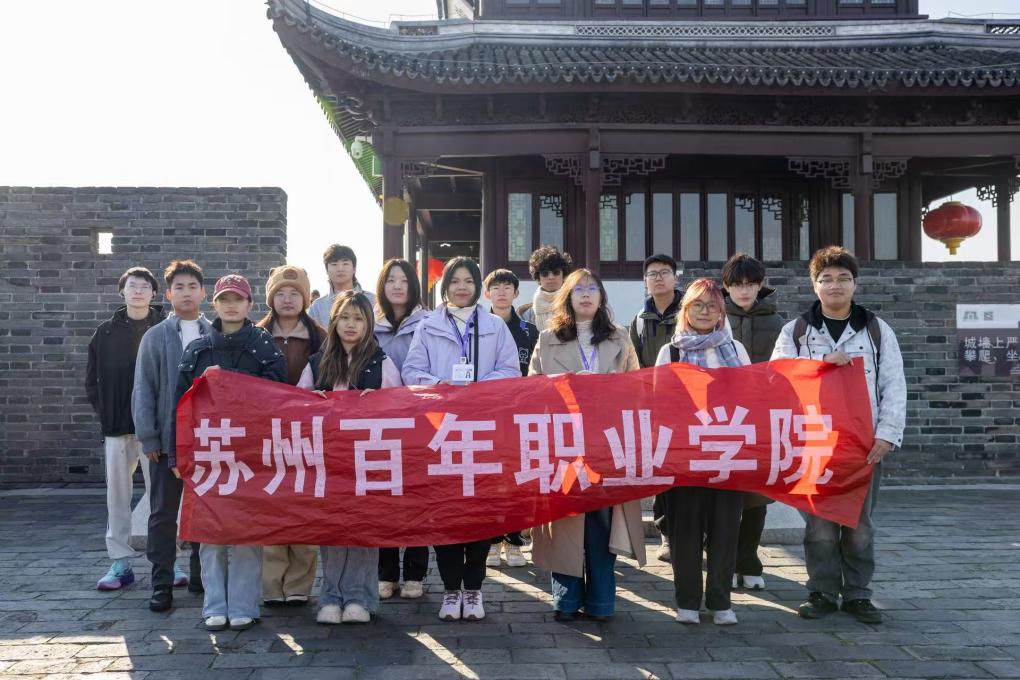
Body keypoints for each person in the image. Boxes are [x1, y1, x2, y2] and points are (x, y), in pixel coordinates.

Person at [771, 246, 905, 625]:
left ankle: (859, 594)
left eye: (843, 278)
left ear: (855, 284)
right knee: (820, 527)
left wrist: (887, 434)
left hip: (862, 446)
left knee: (859, 526)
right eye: (826, 279)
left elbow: (894, 385)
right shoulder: (796, 330)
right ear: (814, 285)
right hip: (813, 443)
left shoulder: (876, 330)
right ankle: (822, 592)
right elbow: (777, 375)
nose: (835, 285)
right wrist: (819, 364)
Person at [402, 257, 520, 622]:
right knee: (446, 513)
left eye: (469, 280)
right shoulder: (428, 326)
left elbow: (511, 370)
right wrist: (440, 386)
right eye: (455, 281)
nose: (462, 287)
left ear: (477, 286)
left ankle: (474, 588)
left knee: (480, 514)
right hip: (441, 433)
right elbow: (411, 370)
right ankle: (451, 589)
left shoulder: (495, 326)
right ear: (445, 286)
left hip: (483, 433)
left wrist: (479, 389)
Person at [528, 268, 646, 622]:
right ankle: (566, 599)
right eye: (578, 288)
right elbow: (532, 391)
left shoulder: (620, 336)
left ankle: (601, 601)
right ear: (567, 296)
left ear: (601, 297)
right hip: (563, 442)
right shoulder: (548, 338)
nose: (586, 294)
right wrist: (568, 385)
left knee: (600, 524)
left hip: (607, 443)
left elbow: (638, 389)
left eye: (593, 288)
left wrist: (606, 390)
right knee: (564, 522)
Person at [175, 274, 286, 631]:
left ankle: (244, 605)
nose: (231, 305)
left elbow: (280, 393)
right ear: (215, 304)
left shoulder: (265, 345)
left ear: (249, 304)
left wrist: (231, 378)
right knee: (210, 534)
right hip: (209, 454)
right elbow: (179, 406)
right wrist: (179, 455)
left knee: (247, 532)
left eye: (238, 298)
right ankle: (214, 605)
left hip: (252, 452)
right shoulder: (197, 350)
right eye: (225, 299)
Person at [298, 291, 402, 624]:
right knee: (330, 529)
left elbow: (401, 408)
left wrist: (380, 402)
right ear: (334, 321)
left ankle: (359, 596)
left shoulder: (382, 362)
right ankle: (331, 596)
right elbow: (295, 406)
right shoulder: (317, 362)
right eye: (344, 317)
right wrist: (312, 401)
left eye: (358, 318)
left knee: (362, 528)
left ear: (369, 323)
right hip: (328, 461)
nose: (351, 325)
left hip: (368, 461)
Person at [656, 278, 751, 626]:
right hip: (686, 454)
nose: (705, 311)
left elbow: (751, 396)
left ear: (721, 312)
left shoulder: (735, 350)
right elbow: (659, 402)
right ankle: (687, 601)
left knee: (725, 530)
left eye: (712, 305)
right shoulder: (671, 352)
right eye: (697, 305)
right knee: (685, 531)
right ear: (685, 310)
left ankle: (720, 600)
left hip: (728, 450)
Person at [133, 260, 210, 612]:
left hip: (206, 441)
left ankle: (199, 576)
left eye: (192, 286)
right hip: (166, 442)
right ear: (168, 294)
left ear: (203, 292)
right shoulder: (155, 336)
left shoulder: (214, 333)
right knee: (163, 513)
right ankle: (161, 582)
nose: (186, 293)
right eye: (179, 287)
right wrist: (149, 437)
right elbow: (143, 389)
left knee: (203, 510)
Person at [87, 266, 165, 590]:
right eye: (132, 286)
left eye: (144, 286)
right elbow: (92, 381)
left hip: (157, 430)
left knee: (162, 496)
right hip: (117, 427)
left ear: (154, 293)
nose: (138, 291)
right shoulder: (105, 333)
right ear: (122, 291)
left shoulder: (165, 329)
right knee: (116, 496)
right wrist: (106, 413)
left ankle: (168, 560)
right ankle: (120, 562)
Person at [256, 265, 326, 607]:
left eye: (295, 293)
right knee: (271, 506)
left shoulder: (320, 336)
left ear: (305, 298)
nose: (287, 299)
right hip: (266, 433)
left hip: (309, 434)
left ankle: (299, 584)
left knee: (304, 506)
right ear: (271, 298)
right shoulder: (256, 335)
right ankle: (271, 585)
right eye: (280, 293)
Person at [721, 253, 785, 592]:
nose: (744, 291)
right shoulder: (716, 320)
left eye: (750, 284)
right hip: (723, 421)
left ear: (761, 285)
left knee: (757, 497)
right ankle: (726, 561)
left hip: (762, 421)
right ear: (726, 287)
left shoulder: (779, 324)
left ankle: (749, 559)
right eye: (737, 284)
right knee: (726, 496)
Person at [372, 259, 429, 601]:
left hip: (419, 423)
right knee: (383, 498)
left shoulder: (429, 323)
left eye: (403, 280)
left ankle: (416, 572)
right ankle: (386, 571)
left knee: (417, 497)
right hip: (379, 424)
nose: (397, 286)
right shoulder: (370, 324)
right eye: (390, 280)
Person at [628, 254, 683, 563]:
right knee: (663, 469)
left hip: (691, 406)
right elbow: (633, 364)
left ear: (676, 277)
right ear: (645, 282)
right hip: (655, 408)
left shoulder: (692, 311)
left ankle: (695, 534)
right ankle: (668, 535)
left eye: (664, 272)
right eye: (652, 274)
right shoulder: (639, 320)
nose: (658, 278)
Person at [483, 268, 538, 569]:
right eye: (496, 287)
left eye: (508, 287)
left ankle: (515, 541)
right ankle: (492, 541)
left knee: (518, 480)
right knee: (491, 479)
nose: (502, 292)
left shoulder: (530, 332)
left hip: (520, 416)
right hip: (486, 416)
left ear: (517, 293)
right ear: (486, 293)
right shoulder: (477, 328)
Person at [308, 244, 375, 327]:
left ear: (354, 268)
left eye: (345, 263)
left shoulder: (372, 300)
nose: (340, 269)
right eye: (334, 264)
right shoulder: (317, 307)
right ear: (327, 270)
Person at [523, 245, 574, 331]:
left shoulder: (575, 305)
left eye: (556, 272)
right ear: (538, 277)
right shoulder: (527, 315)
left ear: (564, 275)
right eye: (545, 273)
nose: (551, 277)